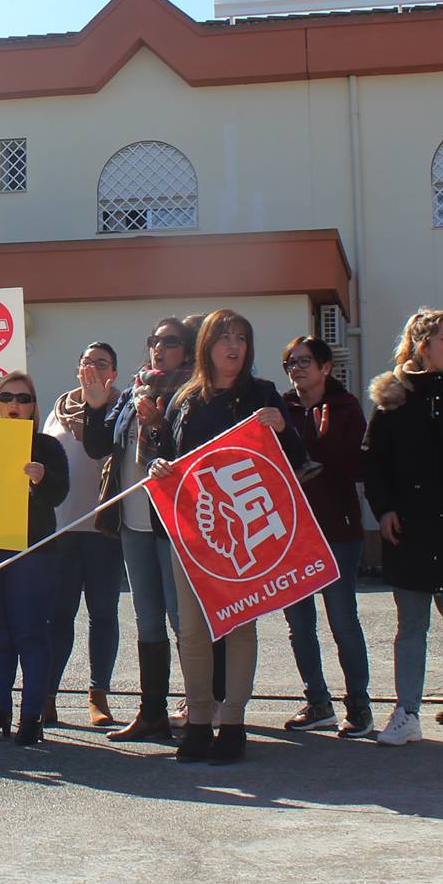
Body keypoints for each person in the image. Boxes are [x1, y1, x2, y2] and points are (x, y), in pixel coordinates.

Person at [149, 309, 306, 765]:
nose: (233, 346)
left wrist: (281, 427)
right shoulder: (185, 398)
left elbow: (294, 457)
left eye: (241, 337)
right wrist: (160, 466)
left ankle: (233, 723)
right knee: (193, 631)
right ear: (207, 346)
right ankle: (199, 721)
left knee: (239, 623)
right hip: (194, 530)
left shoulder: (261, 393)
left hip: (246, 531)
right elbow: (170, 457)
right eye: (224, 337)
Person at [363, 310, 443, 749]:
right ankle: (406, 713)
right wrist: (383, 510)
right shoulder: (393, 398)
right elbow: (374, 463)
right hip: (410, 528)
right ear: (424, 346)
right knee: (411, 626)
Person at [81, 316, 196, 743]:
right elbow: (100, 447)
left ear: (187, 349)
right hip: (133, 519)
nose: (159, 348)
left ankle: (200, 704)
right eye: (154, 341)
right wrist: (95, 405)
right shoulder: (132, 391)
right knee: (147, 619)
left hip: (173, 522)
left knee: (181, 617)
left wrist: (160, 426)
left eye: (170, 342)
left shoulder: (190, 392)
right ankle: (153, 711)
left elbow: (187, 452)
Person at [0, 372, 70, 746]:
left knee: (30, 632)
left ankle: (31, 717)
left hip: (32, 552)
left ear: (33, 406)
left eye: (23, 399)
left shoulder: (45, 446)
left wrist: (41, 479)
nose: (14, 404)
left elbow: (59, 494)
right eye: (7, 397)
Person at [278, 335, 372, 738]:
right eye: (290, 363)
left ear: (325, 367)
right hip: (292, 533)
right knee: (299, 623)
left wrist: (315, 448)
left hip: (338, 529)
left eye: (303, 362)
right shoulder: (282, 409)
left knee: (342, 619)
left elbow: (352, 463)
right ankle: (317, 702)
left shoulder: (346, 407)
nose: (296, 369)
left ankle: (360, 707)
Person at [43, 343, 124, 729]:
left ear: (114, 374)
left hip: (104, 531)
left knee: (103, 615)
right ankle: (47, 694)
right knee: (59, 616)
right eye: (87, 361)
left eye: (102, 363)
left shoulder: (123, 409)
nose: (92, 368)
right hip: (62, 529)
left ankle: (98, 695)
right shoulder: (57, 409)